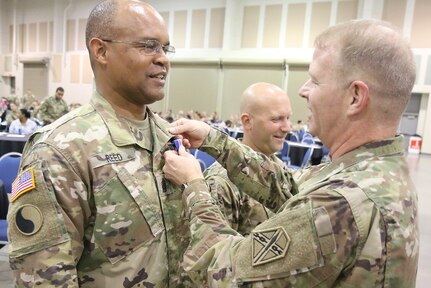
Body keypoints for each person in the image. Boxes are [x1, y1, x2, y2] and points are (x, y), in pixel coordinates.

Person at [163, 19, 419, 287]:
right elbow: (288, 186)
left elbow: (227, 273)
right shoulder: (380, 172)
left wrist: (193, 185)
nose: (303, 90)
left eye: (316, 81)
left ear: (355, 97)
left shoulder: (338, 202)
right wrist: (215, 140)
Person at [7, 1, 195, 287]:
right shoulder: (60, 150)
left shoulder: (167, 137)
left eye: (165, 48)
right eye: (148, 46)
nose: (163, 59)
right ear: (101, 51)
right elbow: (44, 278)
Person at [204, 82, 297, 236]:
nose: (287, 127)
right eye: (276, 119)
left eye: (288, 118)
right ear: (247, 121)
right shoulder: (222, 182)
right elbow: (217, 252)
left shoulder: (282, 171)